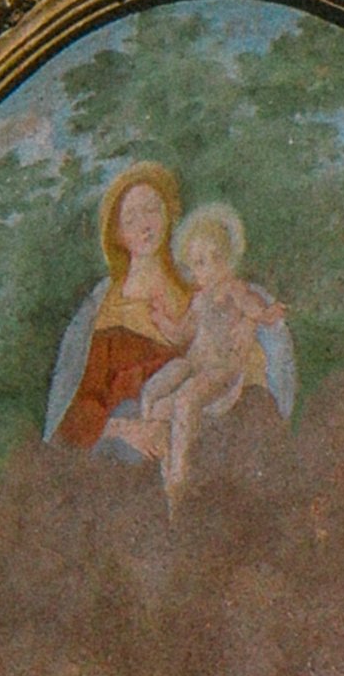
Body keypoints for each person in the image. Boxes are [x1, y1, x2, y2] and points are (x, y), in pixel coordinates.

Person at [118, 202, 298, 500]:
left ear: (229, 259)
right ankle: (160, 455)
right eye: (201, 262)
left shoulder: (233, 289)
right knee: (153, 391)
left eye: (216, 258)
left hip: (219, 369)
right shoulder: (199, 298)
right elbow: (182, 334)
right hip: (194, 363)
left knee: (186, 398)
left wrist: (265, 314)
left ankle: (179, 474)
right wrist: (161, 319)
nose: (210, 268)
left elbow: (256, 309)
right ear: (192, 269)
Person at [43, 163, 193, 450]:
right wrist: (127, 430)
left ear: (168, 214)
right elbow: (82, 405)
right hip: (127, 439)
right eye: (131, 219)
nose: (144, 225)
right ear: (118, 234)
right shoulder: (106, 303)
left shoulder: (196, 285)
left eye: (151, 210)